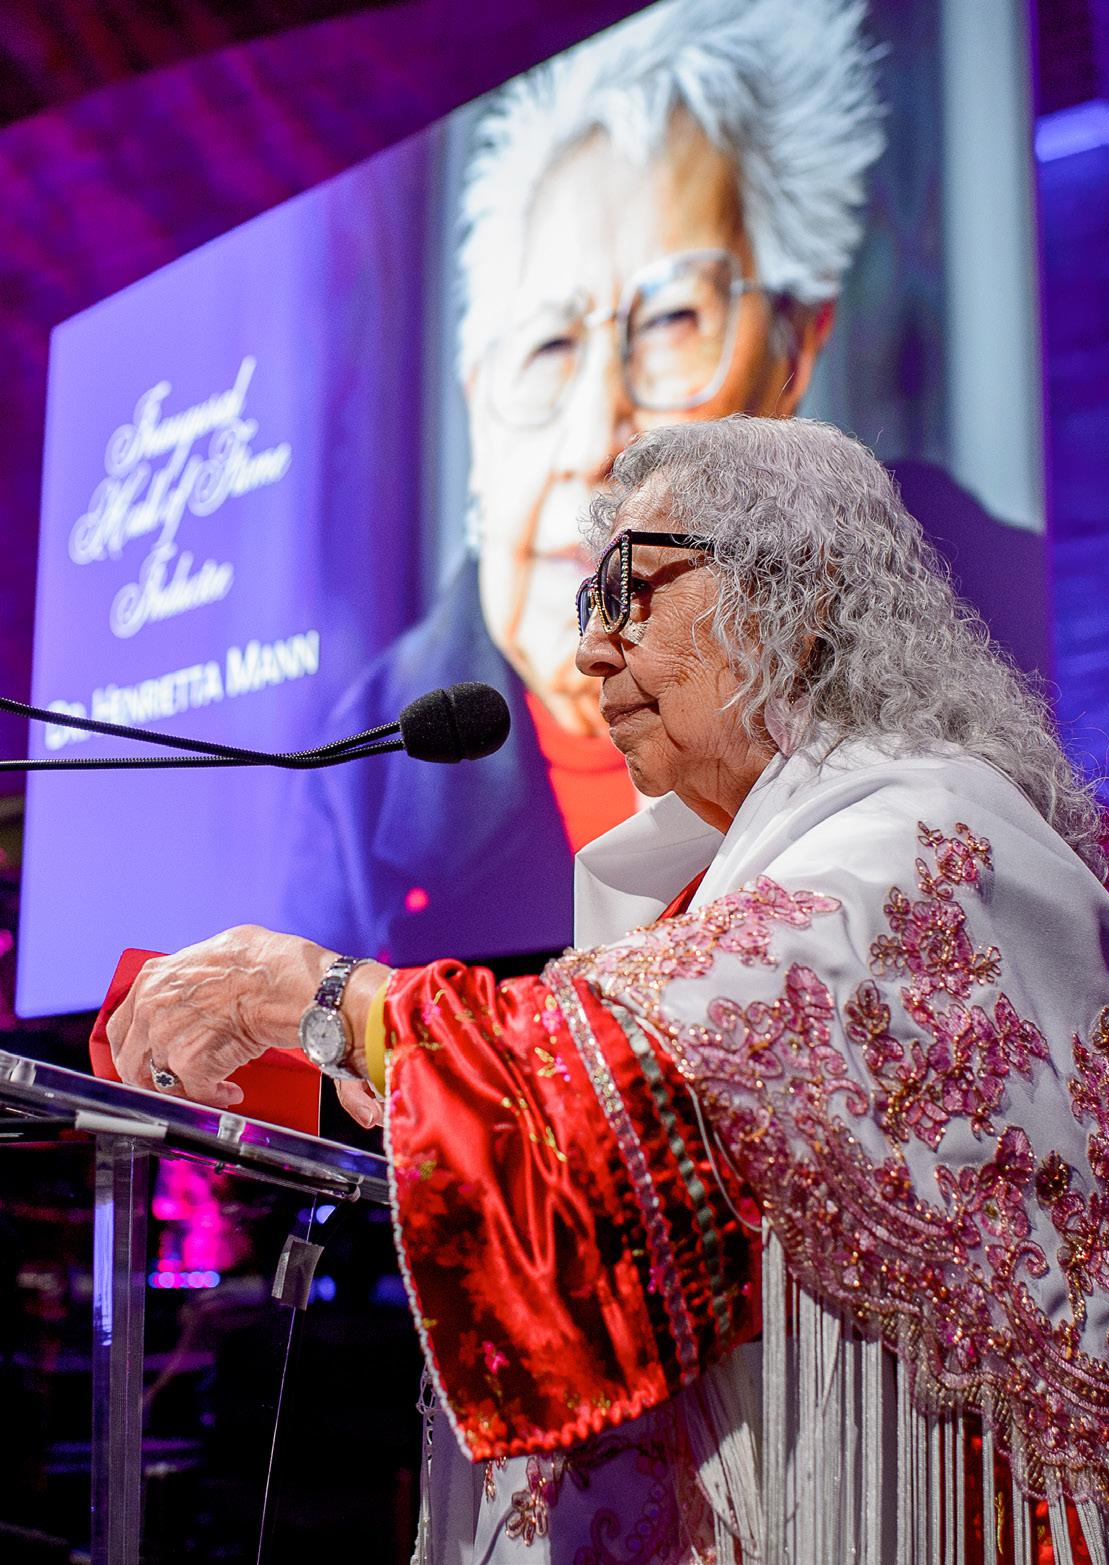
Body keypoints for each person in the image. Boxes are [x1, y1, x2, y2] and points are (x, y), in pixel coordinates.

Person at [112, 419, 1109, 1563]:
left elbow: (634, 1060)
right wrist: (397, 1067)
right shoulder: (738, 873)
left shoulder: (927, 837)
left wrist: (322, 996)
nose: (589, 650)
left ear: (796, 593)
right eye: (590, 601)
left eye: (630, 586)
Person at [283, 0, 886, 966]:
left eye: (672, 321)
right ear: (476, 402)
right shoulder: (360, 761)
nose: (590, 437)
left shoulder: (928, 625)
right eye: (548, 346)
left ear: (795, 349)